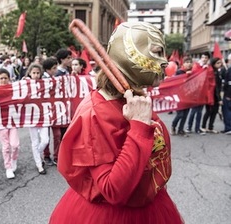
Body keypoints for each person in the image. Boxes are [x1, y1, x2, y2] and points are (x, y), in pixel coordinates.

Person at [50, 21, 183, 223]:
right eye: (156, 52)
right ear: (129, 54)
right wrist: (139, 127)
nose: (164, 62)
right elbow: (112, 189)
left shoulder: (133, 98)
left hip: (150, 205)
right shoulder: (95, 113)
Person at [0, 68, 20, 179]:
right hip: (0, 121)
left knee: (15, 145)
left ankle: (14, 159)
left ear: (9, 79)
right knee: (6, 146)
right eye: (1, 78)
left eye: (5, 78)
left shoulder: (13, 89)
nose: (3, 80)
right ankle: (8, 167)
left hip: (12, 120)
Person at [25, 63, 49, 174]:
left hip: (43, 115)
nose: (35, 75)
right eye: (33, 73)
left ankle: (38, 154)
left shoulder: (44, 83)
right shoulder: (25, 84)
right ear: (30, 73)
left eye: (37, 73)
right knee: (35, 141)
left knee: (45, 140)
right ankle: (39, 165)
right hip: (31, 117)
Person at [186, 52, 210, 134]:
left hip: (203, 93)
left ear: (208, 59)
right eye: (203, 57)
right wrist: (203, 68)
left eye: (206, 58)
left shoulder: (208, 68)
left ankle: (197, 128)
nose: (204, 59)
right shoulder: (196, 65)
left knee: (199, 112)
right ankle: (189, 127)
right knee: (193, 111)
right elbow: (195, 75)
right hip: (196, 93)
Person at [41, 57, 59, 166]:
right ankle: (46, 155)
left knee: (57, 135)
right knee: (45, 136)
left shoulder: (56, 78)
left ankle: (57, 156)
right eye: (54, 68)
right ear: (48, 69)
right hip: (45, 111)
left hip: (55, 110)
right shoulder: (42, 79)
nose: (56, 70)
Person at [171, 56, 193, 137]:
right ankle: (173, 126)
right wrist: (185, 76)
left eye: (190, 62)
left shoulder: (193, 73)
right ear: (183, 63)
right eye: (187, 62)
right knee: (180, 114)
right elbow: (176, 82)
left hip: (188, 96)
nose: (189, 64)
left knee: (185, 114)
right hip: (179, 96)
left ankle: (181, 130)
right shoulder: (179, 72)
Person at [200, 57, 223, 134]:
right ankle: (203, 126)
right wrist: (219, 99)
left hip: (216, 95)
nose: (220, 64)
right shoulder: (211, 72)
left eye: (220, 63)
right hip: (211, 95)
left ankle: (210, 127)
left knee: (215, 112)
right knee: (209, 111)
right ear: (213, 64)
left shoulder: (218, 71)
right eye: (218, 63)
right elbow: (215, 87)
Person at [222, 54, 231, 134]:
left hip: (228, 95)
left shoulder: (230, 70)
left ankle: (228, 128)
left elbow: (229, 84)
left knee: (227, 112)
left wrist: (228, 95)